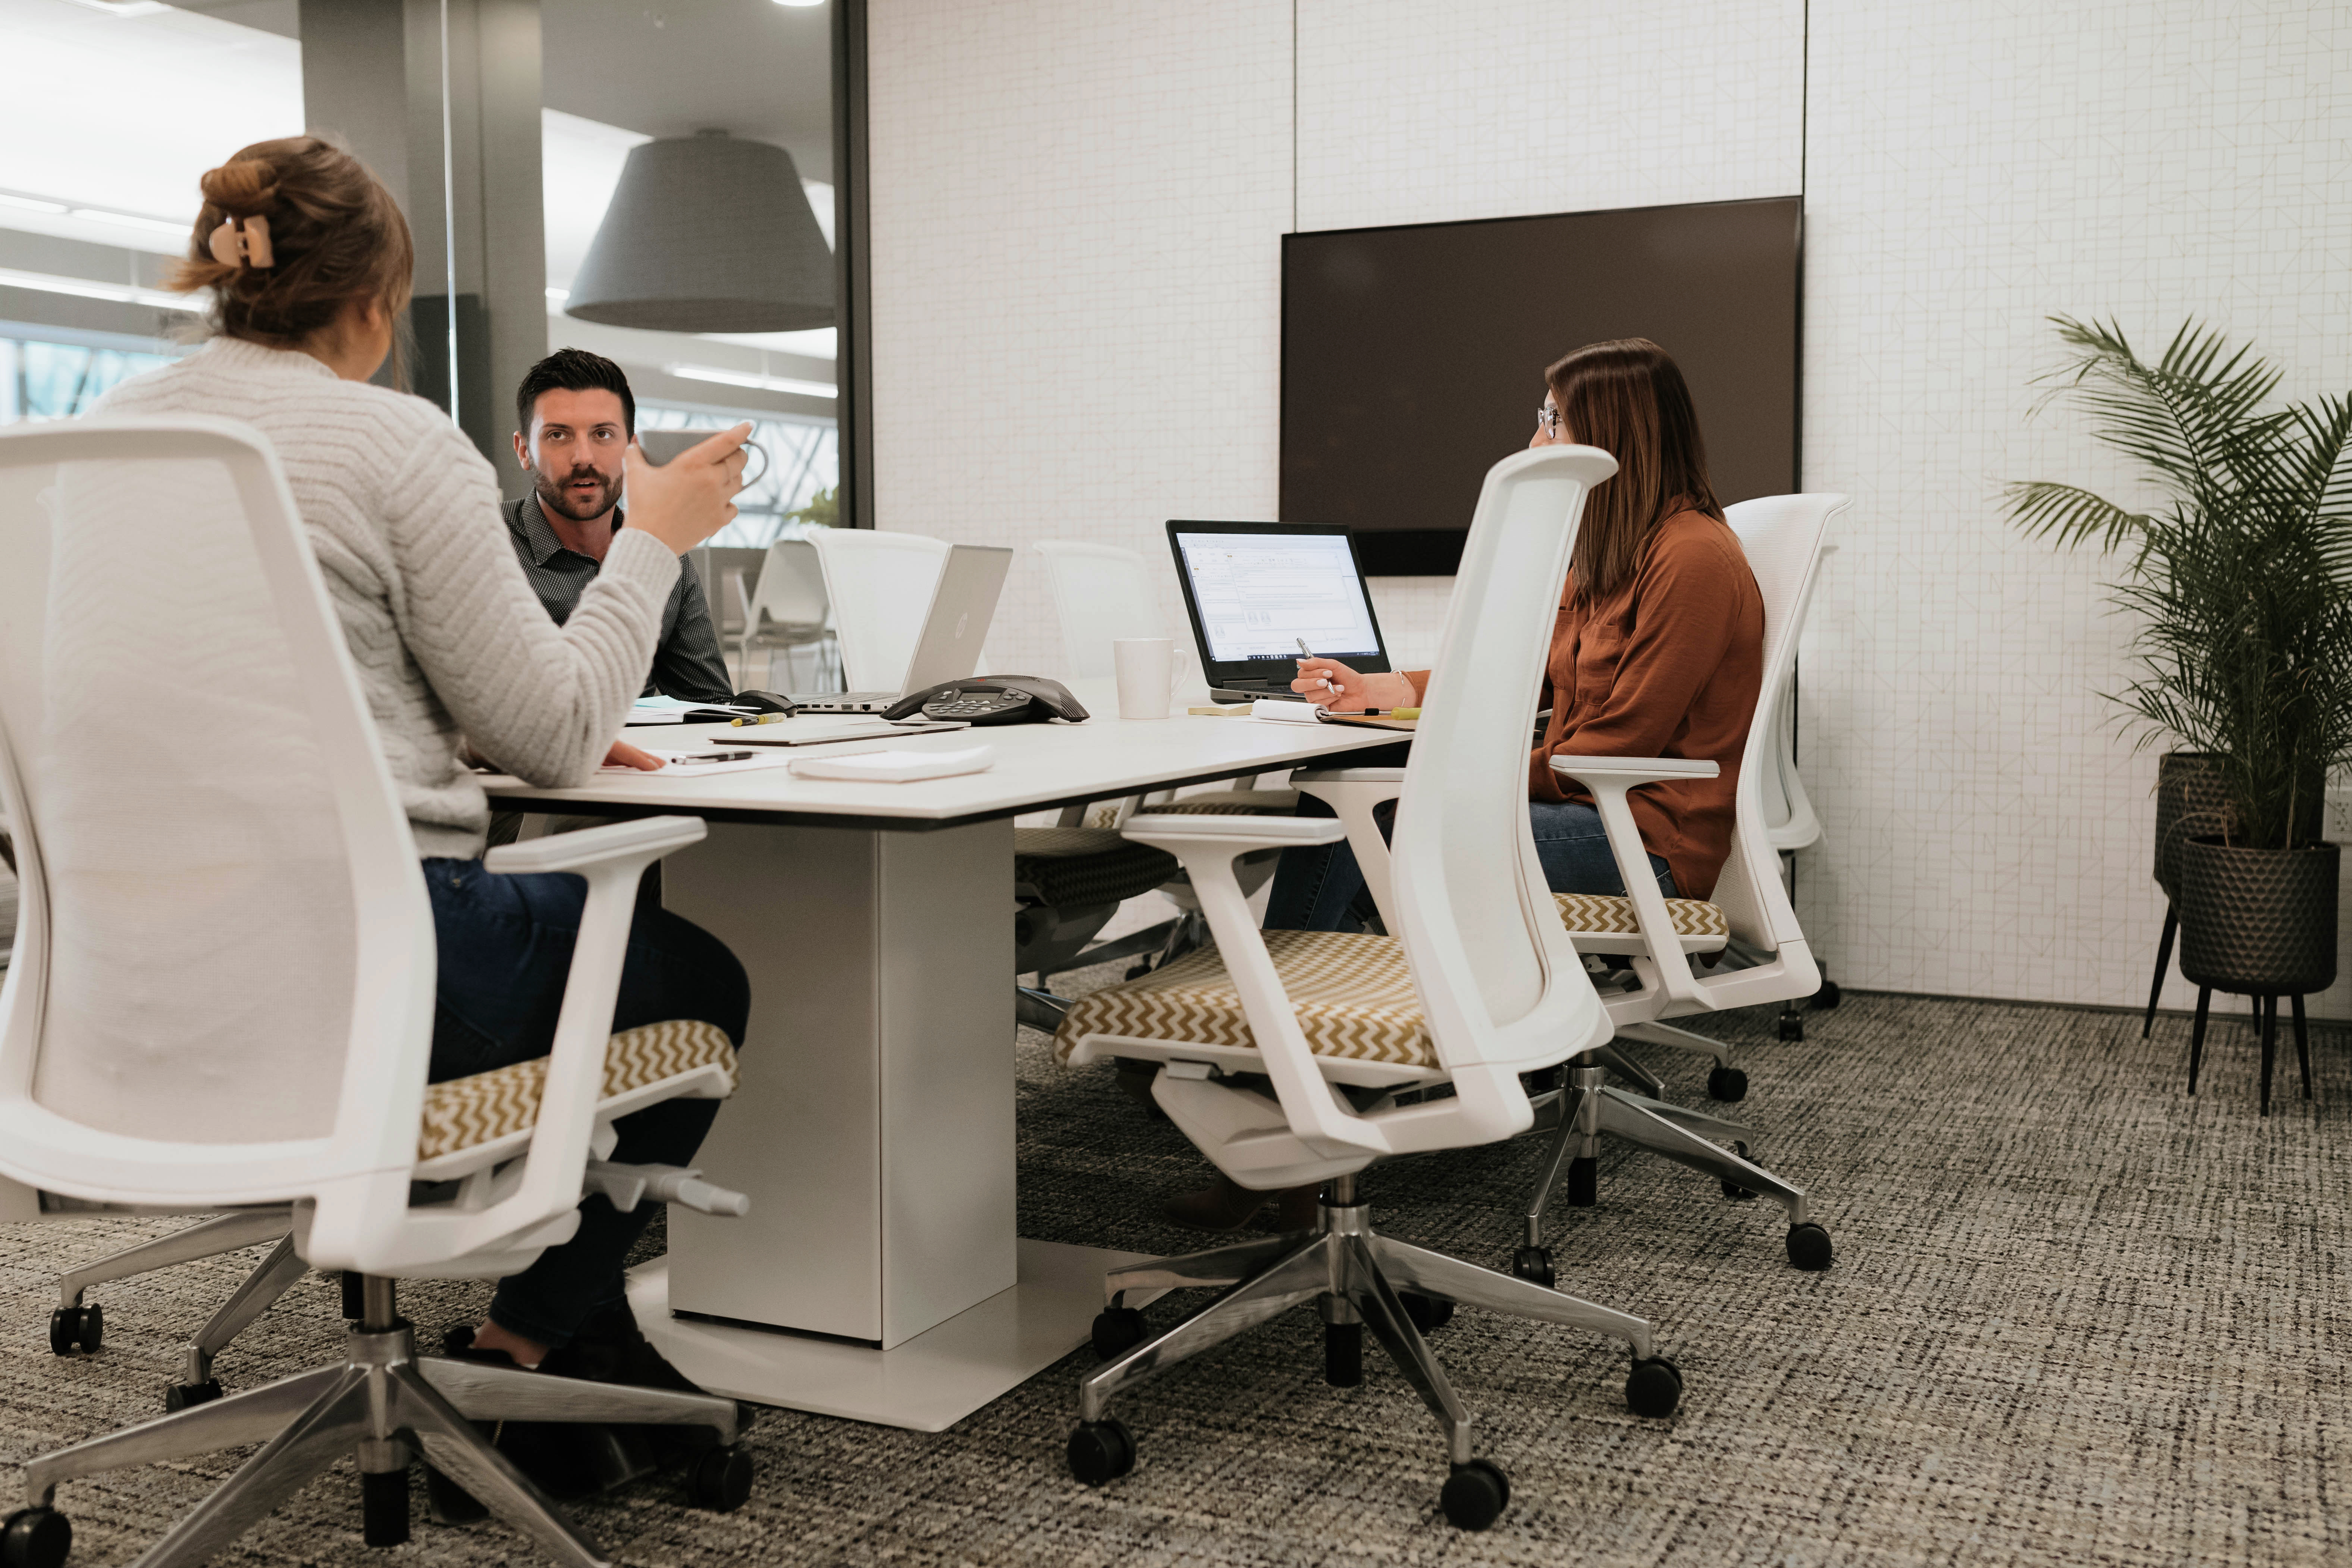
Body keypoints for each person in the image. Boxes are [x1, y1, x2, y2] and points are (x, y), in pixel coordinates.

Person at [97, 138, 755, 1388]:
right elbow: (556, 733)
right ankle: (543, 1328)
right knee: (695, 974)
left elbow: (223, 693)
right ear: (374, 301)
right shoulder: (390, 442)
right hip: (367, 977)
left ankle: (563, 1332)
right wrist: (652, 539)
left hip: (129, 984)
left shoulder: (97, 441)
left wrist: (433, 722)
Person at [1166, 338, 1765, 1231]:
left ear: (1610, 429)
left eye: (1550, 415)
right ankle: (1284, 1072)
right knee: (1368, 808)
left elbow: (1610, 745)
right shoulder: (1604, 557)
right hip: (1573, 813)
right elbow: (1504, 677)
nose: (1535, 434)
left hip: (1640, 840)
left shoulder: (1690, 557)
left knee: (1364, 830)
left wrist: (1448, 769)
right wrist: (1386, 691)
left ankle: (1279, 1106)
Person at [508, 349, 734, 707]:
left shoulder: (662, 548)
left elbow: (711, 704)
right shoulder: (487, 545)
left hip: (649, 759)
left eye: (602, 434)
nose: (584, 457)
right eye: (558, 436)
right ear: (524, 450)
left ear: (632, 449)